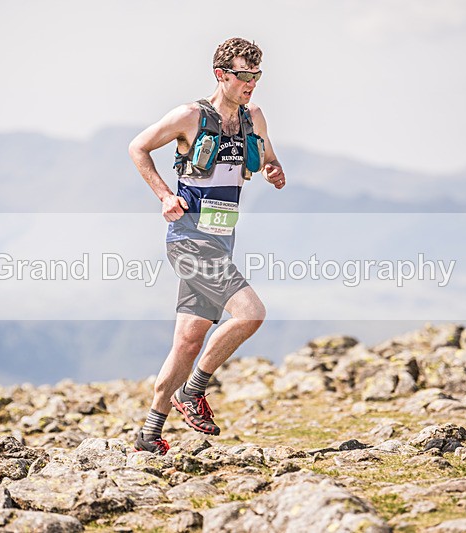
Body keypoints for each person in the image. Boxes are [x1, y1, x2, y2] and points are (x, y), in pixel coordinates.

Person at [127, 37, 285, 455]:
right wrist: (165, 195)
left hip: (221, 240)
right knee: (251, 314)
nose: (251, 83)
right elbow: (138, 147)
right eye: (244, 75)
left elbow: (268, 158)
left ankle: (148, 434)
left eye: (256, 75)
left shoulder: (253, 117)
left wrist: (273, 169)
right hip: (190, 240)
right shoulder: (190, 116)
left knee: (188, 340)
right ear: (221, 74)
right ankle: (192, 390)